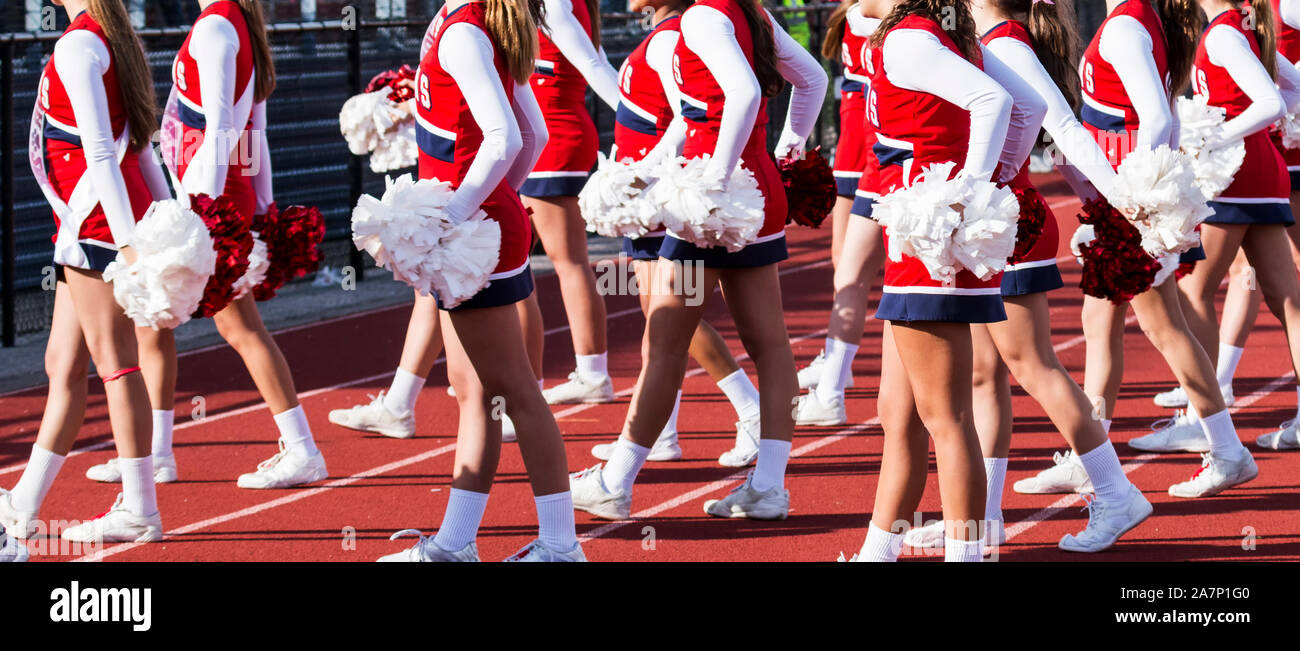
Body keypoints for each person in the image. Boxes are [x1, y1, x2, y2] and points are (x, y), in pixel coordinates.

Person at [906, 0, 1152, 550]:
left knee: (1033, 365)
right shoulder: (988, 39)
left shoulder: (1004, 41)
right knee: (983, 376)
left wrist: (1118, 200)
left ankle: (1116, 492)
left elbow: (1060, 123)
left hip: (1003, 224)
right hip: (996, 222)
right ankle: (984, 515)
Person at [569, 0, 827, 521]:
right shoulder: (747, 9)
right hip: (750, 192)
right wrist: (785, 155)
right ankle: (769, 486)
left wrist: (717, 177)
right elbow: (813, 79)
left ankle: (616, 481)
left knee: (664, 342)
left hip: (711, 199)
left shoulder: (700, 17)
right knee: (770, 344)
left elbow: (746, 93)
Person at [86, 0, 329, 490]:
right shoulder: (232, 20)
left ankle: (303, 449)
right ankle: (157, 455)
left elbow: (221, 126)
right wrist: (262, 203)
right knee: (152, 323)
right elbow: (253, 131)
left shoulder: (218, 23)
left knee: (240, 328)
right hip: (212, 198)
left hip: (208, 202)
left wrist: (204, 214)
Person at [1023, 0, 1258, 501]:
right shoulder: (1138, 18)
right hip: (1125, 196)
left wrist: (1141, 200)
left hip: (1127, 200)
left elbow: (1154, 118)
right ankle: (1093, 451)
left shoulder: (1128, 23)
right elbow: (1165, 113)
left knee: (1163, 327)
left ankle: (1227, 449)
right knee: (1102, 325)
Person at [377, 0, 586, 562]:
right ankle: (454, 543)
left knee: (515, 389)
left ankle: (562, 546)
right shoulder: (471, 23)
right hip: (482, 226)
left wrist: (457, 213)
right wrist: (498, 204)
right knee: (476, 393)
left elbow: (508, 138)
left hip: (469, 233)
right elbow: (532, 132)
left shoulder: (465, 31)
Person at [844, 0, 1016, 562]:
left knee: (946, 417)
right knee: (898, 411)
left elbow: (999, 101)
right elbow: (1030, 108)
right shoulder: (938, 33)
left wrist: (967, 193)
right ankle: (879, 551)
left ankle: (968, 557)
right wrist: (996, 179)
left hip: (929, 231)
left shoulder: (909, 40)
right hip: (921, 228)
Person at [0, 0, 169, 544]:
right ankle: (24, 505)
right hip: (84, 223)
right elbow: (139, 145)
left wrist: (130, 246)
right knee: (62, 363)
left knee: (116, 365)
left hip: (97, 222)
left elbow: (103, 150)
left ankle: (141, 509)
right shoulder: (102, 36)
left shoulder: (80, 43)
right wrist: (169, 218)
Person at [584, 0, 767, 467]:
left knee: (669, 320)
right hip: (645, 193)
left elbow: (688, 119)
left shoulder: (669, 39)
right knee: (658, 317)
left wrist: (644, 174)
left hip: (662, 195)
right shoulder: (659, 35)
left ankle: (750, 409)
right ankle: (662, 432)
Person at [1146, 0, 1300, 493]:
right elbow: (1291, 90)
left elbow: (1274, 102)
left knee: (1194, 292)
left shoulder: (1224, 34)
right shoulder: (1241, 28)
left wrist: (1211, 139)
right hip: (1262, 171)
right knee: (1288, 298)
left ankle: (1202, 420)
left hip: (1234, 176)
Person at [526, 0, 623, 405]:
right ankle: (587, 372)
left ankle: (589, 373)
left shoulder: (554, 3)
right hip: (552, 135)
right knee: (514, 262)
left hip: (552, 138)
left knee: (558, 263)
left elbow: (595, 68)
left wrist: (643, 124)